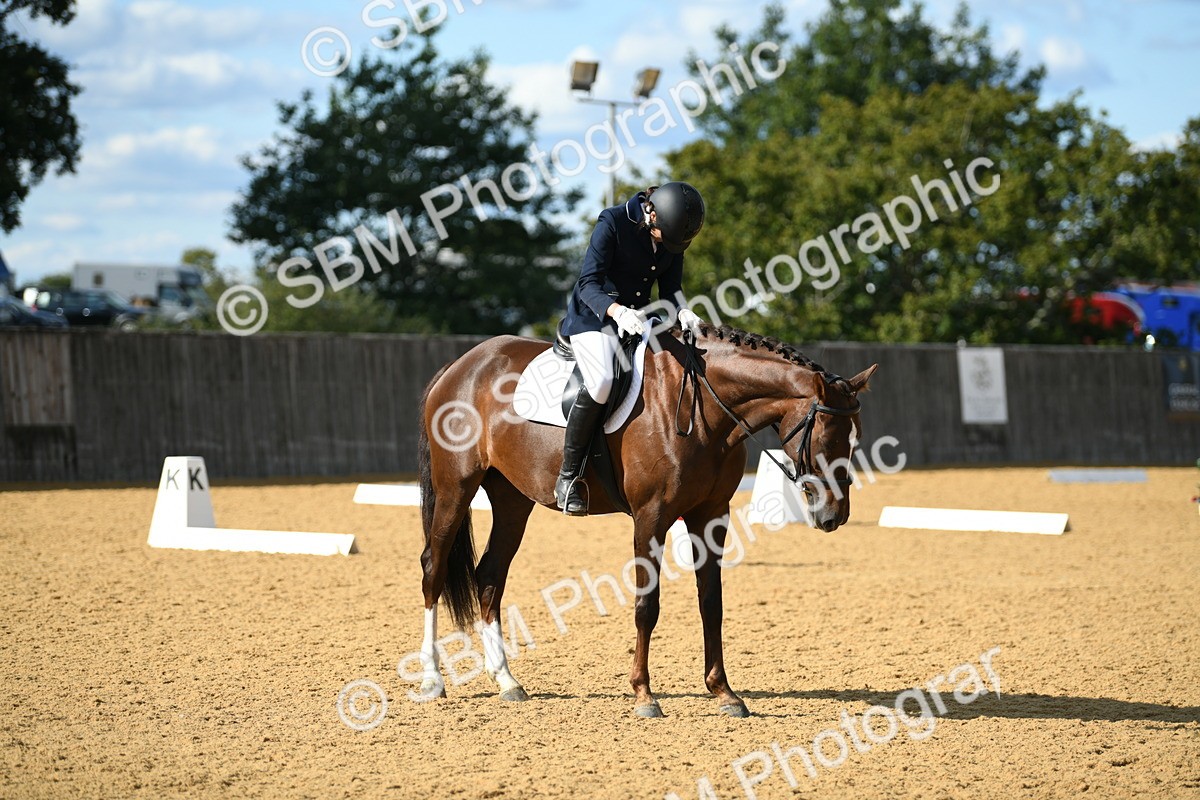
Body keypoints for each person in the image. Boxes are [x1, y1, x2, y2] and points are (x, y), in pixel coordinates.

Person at [555, 181, 707, 515]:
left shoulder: (671, 234)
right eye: (661, 237)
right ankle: (568, 478)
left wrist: (682, 310)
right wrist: (616, 310)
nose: (665, 246)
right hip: (593, 318)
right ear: (650, 212)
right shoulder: (612, 222)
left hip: (639, 319)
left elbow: (670, 290)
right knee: (601, 380)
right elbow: (587, 284)